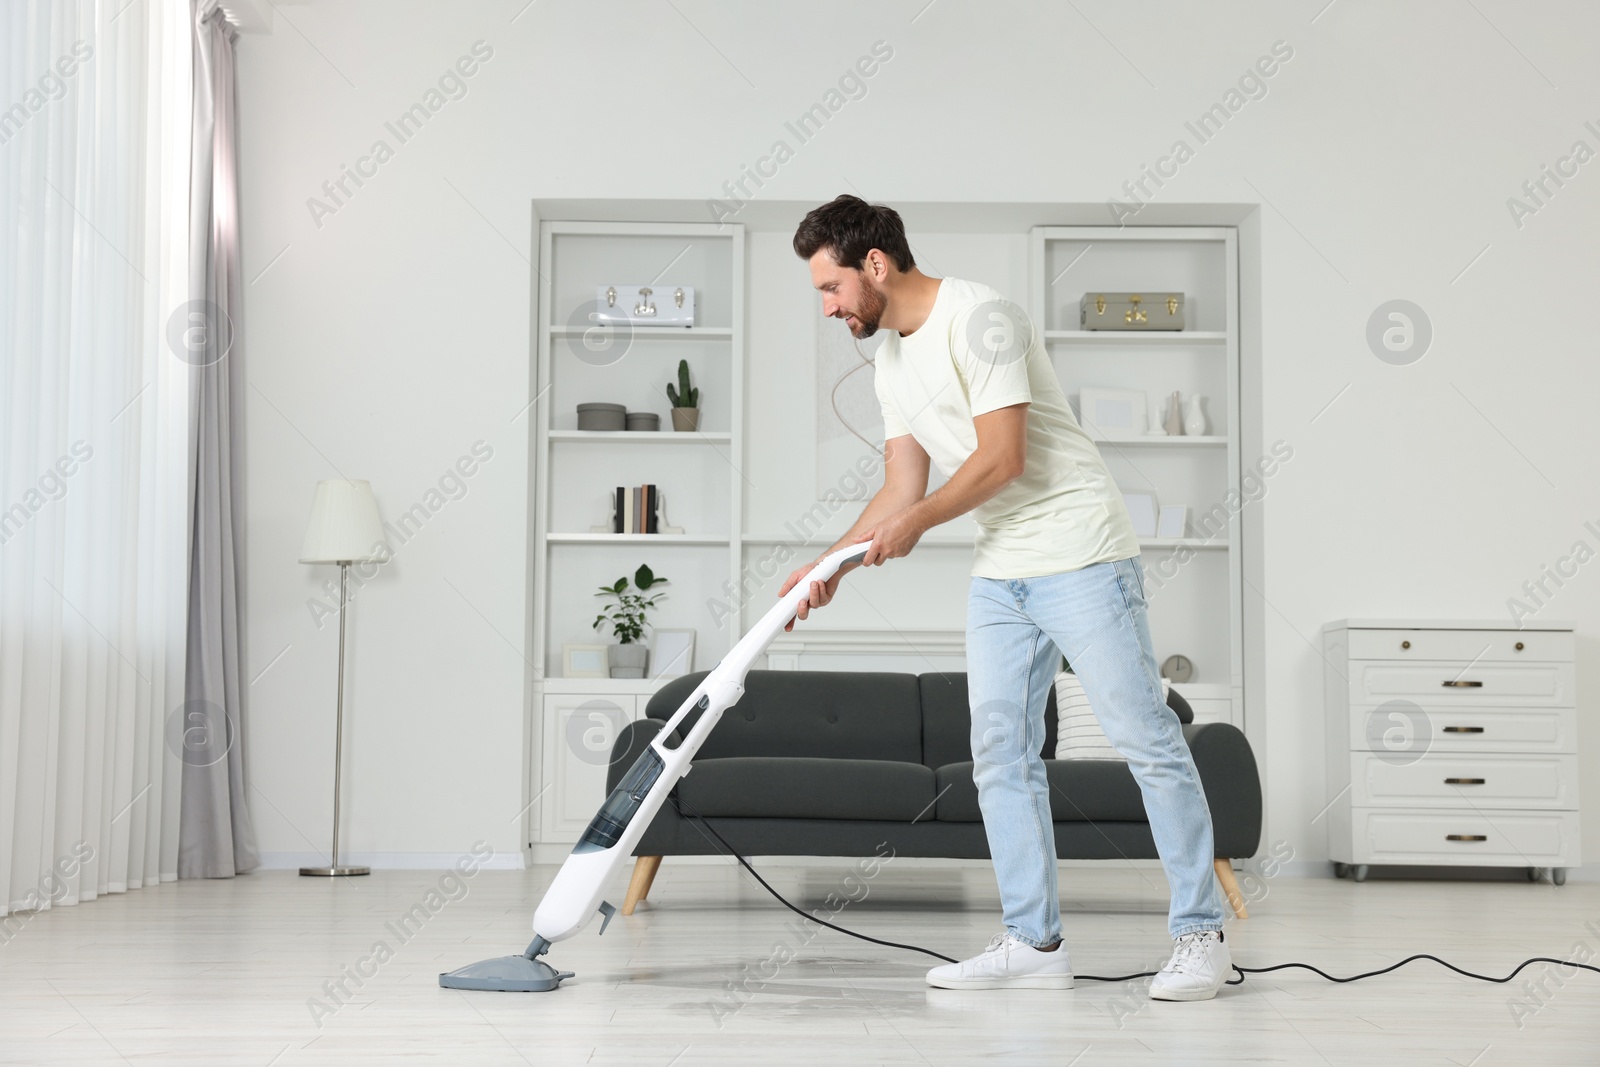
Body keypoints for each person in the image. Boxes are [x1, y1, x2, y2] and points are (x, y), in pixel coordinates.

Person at [778, 194, 1230, 1000]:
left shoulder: (982, 317)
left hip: (1081, 550)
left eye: (831, 288)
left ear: (874, 265)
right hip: (1003, 568)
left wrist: (916, 524)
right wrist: (829, 567)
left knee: (1145, 736)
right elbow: (900, 483)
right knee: (1000, 754)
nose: (828, 307)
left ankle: (1202, 934)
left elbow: (1003, 458)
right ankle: (1034, 938)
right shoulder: (888, 358)